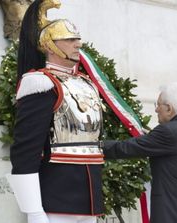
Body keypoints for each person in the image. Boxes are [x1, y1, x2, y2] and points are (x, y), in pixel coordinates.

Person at [6, 1, 104, 223]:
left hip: (89, 201)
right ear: (50, 45)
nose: (77, 43)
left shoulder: (85, 83)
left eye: (77, 38)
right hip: (57, 199)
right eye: (69, 39)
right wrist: (34, 209)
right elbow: (26, 150)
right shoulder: (40, 83)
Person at [103, 82, 177, 223]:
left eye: (158, 105)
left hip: (172, 213)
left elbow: (127, 147)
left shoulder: (168, 131)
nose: (156, 110)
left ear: (169, 109)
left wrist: (96, 146)